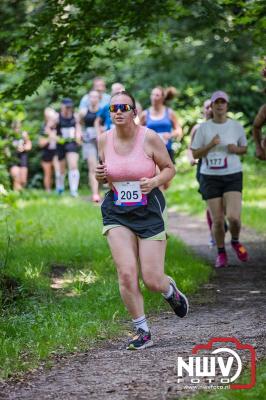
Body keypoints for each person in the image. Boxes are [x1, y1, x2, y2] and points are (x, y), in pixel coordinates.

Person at [95, 91, 189, 350]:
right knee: (126, 273)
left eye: (124, 107)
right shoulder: (103, 140)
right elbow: (105, 174)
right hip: (117, 210)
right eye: (113, 108)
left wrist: (154, 181)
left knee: (152, 279)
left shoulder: (149, 137)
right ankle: (141, 329)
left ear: (134, 112)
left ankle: (169, 290)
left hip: (148, 209)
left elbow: (170, 168)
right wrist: (99, 175)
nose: (118, 111)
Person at [191, 91, 249, 268]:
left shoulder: (236, 126)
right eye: (217, 102)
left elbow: (244, 148)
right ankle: (221, 252)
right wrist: (210, 145)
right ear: (212, 106)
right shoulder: (203, 128)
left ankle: (236, 241)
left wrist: (235, 149)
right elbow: (195, 153)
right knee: (217, 220)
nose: (220, 105)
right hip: (210, 176)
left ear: (227, 106)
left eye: (223, 102)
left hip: (232, 174)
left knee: (234, 218)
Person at [188, 99, 219, 247]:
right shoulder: (197, 128)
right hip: (203, 168)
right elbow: (190, 148)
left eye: (211, 106)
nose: (209, 109)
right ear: (203, 110)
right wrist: (191, 159)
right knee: (210, 200)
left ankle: (219, 222)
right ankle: (214, 231)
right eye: (206, 107)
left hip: (223, 169)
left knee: (223, 202)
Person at [140, 86, 182, 189]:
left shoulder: (169, 113)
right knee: (158, 180)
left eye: (157, 95)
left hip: (166, 150)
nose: (154, 97)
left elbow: (179, 130)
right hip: (151, 152)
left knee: (166, 182)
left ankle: (160, 197)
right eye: (152, 94)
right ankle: (160, 203)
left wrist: (170, 135)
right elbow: (136, 131)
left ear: (162, 98)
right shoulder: (145, 114)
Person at [56, 98, 82, 197]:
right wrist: (55, 137)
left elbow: (78, 127)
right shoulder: (57, 117)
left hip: (72, 142)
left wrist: (78, 136)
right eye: (66, 107)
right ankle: (60, 187)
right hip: (61, 143)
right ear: (62, 106)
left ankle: (73, 190)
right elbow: (49, 129)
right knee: (62, 169)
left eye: (69, 107)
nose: (68, 109)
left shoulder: (75, 116)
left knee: (73, 165)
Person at [79, 90, 101, 202]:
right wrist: (80, 134)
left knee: (102, 167)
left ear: (99, 98)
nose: (93, 99)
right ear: (88, 99)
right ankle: (95, 194)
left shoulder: (103, 110)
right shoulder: (83, 111)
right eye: (91, 97)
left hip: (101, 142)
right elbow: (79, 123)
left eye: (96, 97)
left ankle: (101, 190)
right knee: (92, 167)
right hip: (88, 141)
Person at [39, 107, 60, 192]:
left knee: (58, 171)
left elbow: (60, 140)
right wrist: (49, 136)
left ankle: (59, 189)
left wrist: (51, 134)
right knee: (48, 173)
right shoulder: (43, 128)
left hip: (57, 152)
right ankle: (48, 190)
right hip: (46, 152)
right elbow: (41, 143)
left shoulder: (58, 127)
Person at [10, 121, 32, 191]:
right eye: (16, 127)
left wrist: (23, 148)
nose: (17, 129)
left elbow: (29, 146)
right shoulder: (10, 136)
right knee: (16, 177)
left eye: (19, 127)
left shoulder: (23, 135)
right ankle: (16, 195)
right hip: (14, 159)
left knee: (23, 180)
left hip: (23, 158)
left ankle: (21, 195)